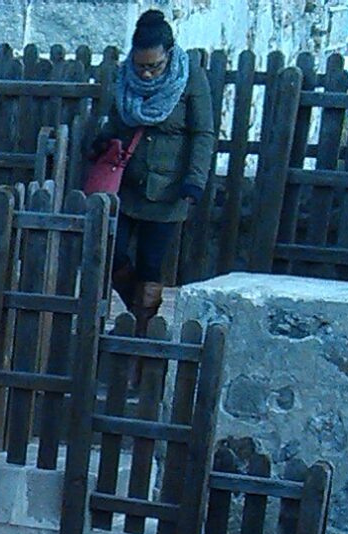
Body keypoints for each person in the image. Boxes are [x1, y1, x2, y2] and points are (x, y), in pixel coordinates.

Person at [87, 11, 216, 325]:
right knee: (111, 252)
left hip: (168, 190)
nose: (145, 74)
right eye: (140, 66)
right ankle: (138, 310)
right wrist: (103, 141)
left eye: (154, 67)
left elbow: (203, 133)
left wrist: (195, 180)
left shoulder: (191, 78)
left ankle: (143, 326)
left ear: (168, 55)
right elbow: (116, 120)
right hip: (126, 185)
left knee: (150, 263)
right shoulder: (124, 77)